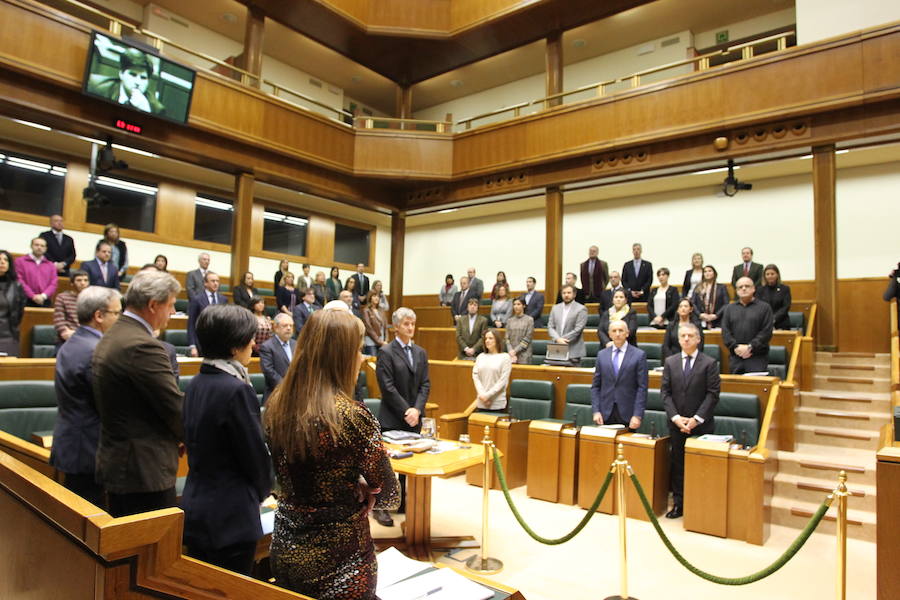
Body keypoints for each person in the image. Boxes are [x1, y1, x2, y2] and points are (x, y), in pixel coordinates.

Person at [267, 309, 399, 598]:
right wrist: (367, 488)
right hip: (341, 561)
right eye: (358, 350)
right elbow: (390, 495)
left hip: (286, 549)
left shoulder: (276, 406)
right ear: (341, 356)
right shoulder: (352, 417)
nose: (362, 358)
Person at [181, 305, 273, 574]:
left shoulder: (196, 383)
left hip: (197, 507)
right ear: (234, 347)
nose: (253, 344)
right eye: (249, 338)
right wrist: (264, 490)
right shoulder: (236, 390)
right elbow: (254, 455)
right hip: (230, 516)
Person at [93, 269, 183, 517]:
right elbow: (174, 407)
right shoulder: (143, 346)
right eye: (171, 305)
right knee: (148, 553)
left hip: (121, 462)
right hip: (143, 469)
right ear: (154, 305)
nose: (173, 313)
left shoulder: (115, 334)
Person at [49, 286, 121, 507]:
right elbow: (108, 403)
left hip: (72, 441)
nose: (119, 319)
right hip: (88, 447)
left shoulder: (72, 343)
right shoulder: (96, 350)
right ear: (99, 315)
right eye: (116, 313)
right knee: (86, 522)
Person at [374, 307, 428, 528]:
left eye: (413, 323)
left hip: (413, 417)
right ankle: (382, 506)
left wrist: (417, 409)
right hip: (393, 417)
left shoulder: (420, 353)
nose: (410, 327)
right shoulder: (386, 352)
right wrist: (407, 410)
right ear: (396, 326)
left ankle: (403, 501)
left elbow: (425, 384)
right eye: (406, 323)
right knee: (387, 464)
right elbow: (387, 387)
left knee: (410, 460)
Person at [660, 322, 719, 519]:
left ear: (698, 339)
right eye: (683, 336)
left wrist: (696, 419)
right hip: (677, 424)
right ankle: (679, 505)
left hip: (700, 425)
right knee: (678, 465)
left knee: (700, 468)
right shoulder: (670, 362)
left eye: (690, 336)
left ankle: (699, 506)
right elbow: (665, 394)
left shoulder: (709, 363)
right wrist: (676, 418)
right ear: (678, 339)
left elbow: (712, 395)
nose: (686, 339)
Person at [591, 320, 647, 429]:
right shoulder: (602, 355)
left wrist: (637, 415)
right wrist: (596, 411)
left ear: (627, 333)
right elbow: (596, 386)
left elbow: (642, 388)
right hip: (605, 413)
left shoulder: (639, 355)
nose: (617, 334)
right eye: (614, 331)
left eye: (621, 330)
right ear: (609, 334)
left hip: (628, 413)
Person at [87, 47, 165, 114]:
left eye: (143, 77)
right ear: (121, 74)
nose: (138, 82)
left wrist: (146, 111)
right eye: (133, 75)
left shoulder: (156, 109)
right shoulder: (96, 86)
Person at [721, 276, 774, 374]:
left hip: (757, 357)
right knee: (736, 388)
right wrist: (735, 347)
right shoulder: (729, 309)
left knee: (755, 388)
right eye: (740, 287)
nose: (744, 289)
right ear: (736, 291)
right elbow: (726, 332)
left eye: (747, 286)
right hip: (735, 356)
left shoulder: (765, 308)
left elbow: (766, 332)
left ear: (753, 289)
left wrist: (750, 347)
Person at [187, 272, 228, 357]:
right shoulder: (197, 299)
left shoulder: (223, 299)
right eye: (213, 281)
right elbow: (191, 324)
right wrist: (192, 346)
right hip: (201, 343)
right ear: (205, 283)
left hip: (219, 343)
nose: (216, 283)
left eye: (217, 281)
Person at [547, 284, 588, 366]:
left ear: (574, 294)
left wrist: (562, 339)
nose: (566, 295)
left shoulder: (581, 309)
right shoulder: (555, 308)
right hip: (557, 349)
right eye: (564, 293)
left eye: (569, 293)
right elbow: (550, 326)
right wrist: (557, 339)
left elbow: (578, 329)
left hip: (573, 351)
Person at [259, 313, 295, 403]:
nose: (289, 328)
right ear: (276, 328)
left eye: (291, 325)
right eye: (285, 325)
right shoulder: (267, 346)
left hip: (296, 395)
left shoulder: (297, 344)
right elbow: (269, 371)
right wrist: (287, 387)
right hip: (275, 395)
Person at [472, 329, 512, 411]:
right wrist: (482, 395)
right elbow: (476, 377)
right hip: (481, 402)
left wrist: (487, 396)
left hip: (497, 404)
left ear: (497, 340)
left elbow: (502, 381)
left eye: (490, 338)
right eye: (486, 338)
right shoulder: (480, 357)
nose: (487, 341)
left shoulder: (505, 357)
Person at [15, 237, 57, 307]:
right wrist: (32, 296)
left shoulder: (50, 265)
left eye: (42, 246)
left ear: (46, 248)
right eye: (36, 245)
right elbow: (19, 280)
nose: (39, 247)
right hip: (25, 299)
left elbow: (53, 283)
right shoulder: (20, 261)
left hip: (44, 300)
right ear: (31, 246)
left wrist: (43, 296)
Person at [0, 250, 26, 357]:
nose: (2, 262)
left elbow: (19, 312)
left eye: (6, 260)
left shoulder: (17, 286)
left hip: (8, 334)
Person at [53, 269, 90, 344]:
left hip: (87, 337)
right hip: (68, 337)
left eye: (85, 280)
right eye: (79, 280)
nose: (83, 283)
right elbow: (59, 319)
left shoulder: (92, 299)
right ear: (72, 283)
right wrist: (64, 331)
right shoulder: (62, 297)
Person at [755, 264, 792, 330]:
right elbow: (758, 306)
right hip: (764, 323)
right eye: (767, 274)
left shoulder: (785, 289)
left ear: (777, 275)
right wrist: (767, 319)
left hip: (781, 323)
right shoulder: (759, 290)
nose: (770, 276)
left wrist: (774, 318)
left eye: (772, 274)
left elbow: (786, 307)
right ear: (764, 276)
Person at [692, 265, 729, 329]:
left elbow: (726, 303)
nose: (707, 273)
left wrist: (716, 315)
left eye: (710, 271)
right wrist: (700, 315)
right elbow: (693, 303)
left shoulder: (721, 287)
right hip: (701, 320)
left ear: (714, 273)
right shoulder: (698, 287)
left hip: (718, 320)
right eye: (705, 271)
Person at [506, 297, 534, 365]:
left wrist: (515, 351)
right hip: (511, 355)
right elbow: (507, 339)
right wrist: (510, 351)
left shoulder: (529, 320)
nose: (516, 306)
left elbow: (527, 338)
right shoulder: (510, 321)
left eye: (518, 304)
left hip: (524, 354)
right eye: (514, 304)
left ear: (524, 306)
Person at [361, 290, 388, 356]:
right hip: (371, 342)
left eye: (378, 296)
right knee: (372, 363)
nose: (377, 298)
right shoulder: (366, 310)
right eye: (374, 296)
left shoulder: (381, 310)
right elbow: (369, 328)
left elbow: (385, 327)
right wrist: (379, 341)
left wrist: (386, 340)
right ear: (370, 297)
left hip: (382, 341)